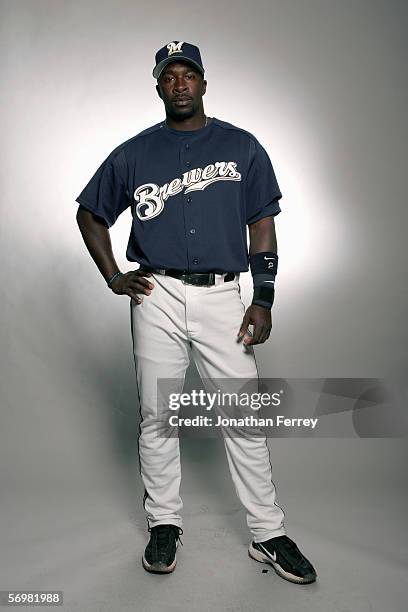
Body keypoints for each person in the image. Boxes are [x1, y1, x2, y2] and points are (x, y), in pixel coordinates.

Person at [75, 40, 317, 584]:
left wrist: (264, 295)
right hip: (155, 295)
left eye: (188, 74)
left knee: (243, 419)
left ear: (204, 82)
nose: (179, 83)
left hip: (222, 296)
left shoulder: (242, 146)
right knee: (158, 420)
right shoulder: (134, 153)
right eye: (169, 75)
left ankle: (268, 534)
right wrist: (114, 275)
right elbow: (90, 213)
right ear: (158, 85)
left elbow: (262, 223)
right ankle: (164, 524)